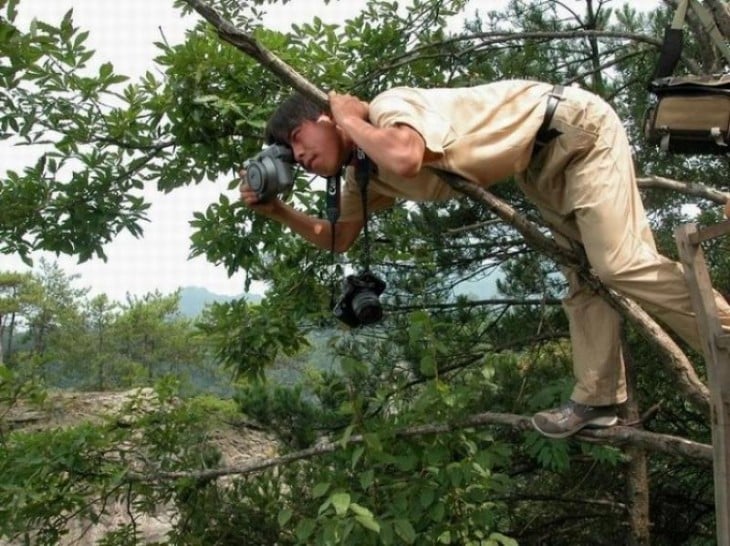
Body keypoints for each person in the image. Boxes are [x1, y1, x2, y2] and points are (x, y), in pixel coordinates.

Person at [239, 80, 730, 438]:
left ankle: (725, 333)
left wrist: (347, 114)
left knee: (617, 263)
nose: (296, 157)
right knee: (584, 277)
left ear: (324, 117)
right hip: (538, 167)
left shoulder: (389, 110)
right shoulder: (363, 173)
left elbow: (408, 155)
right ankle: (598, 398)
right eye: (288, 154)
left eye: (297, 139)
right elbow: (339, 239)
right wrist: (279, 210)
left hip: (575, 130)